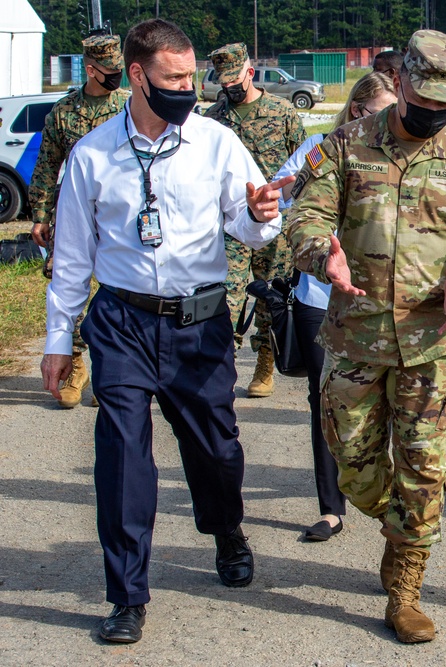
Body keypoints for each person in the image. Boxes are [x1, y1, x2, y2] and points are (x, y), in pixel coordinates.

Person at [40, 18, 293, 644]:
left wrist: (265, 215)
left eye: (191, 76)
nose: (189, 88)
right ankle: (127, 593)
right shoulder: (92, 154)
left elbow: (252, 226)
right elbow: (72, 257)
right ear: (136, 75)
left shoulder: (216, 143)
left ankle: (226, 528)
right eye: (174, 78)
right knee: (122, 459)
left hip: (197, 324)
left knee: (216, 451)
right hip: (122, 323)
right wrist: (56, 340)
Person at [286, 29, 446, 644]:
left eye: (445, 108)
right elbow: (306, 215)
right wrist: (319, 253)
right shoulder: (345, 148)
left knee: (423, 466)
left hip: (431, 347)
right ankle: (400, 520)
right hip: (355, 340)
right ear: (404, 82)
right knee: (352, 460)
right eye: (423, 101)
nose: (431, 115)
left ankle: (405, 584)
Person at [272, 71, 397, 542]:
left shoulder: (397, 154)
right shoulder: (320, 149)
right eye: (374, 113)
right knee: (324, 401)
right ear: (356, 108)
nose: (383, 122)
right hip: (319, 299)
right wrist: (292, 190)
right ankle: (331, 507)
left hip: (379, 304)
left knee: (379, 400)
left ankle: (382, 488)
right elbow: (278, 194)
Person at [28, 32, 129, 409]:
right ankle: (74, 365)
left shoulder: (130, 107)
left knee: (117, 292)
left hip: (118, 215)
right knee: (65, 283)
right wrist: (40, 215)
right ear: (90, 69)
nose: (115, 76)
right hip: (73, 214)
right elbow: (45, 167)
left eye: (119, 69)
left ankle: (112, 375)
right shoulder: (64, 112)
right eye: (108, 71)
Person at [205, 43, 307, 398]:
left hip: (274, 222)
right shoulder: (213, 118)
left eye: (235, 80)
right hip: (231, 222)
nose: (230, 87)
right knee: (227, 293)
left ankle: (265, 360)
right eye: (224, 82)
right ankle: (223, 362)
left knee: (270, 294)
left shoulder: (282, 112)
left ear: (250, 72)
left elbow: (303, 166)